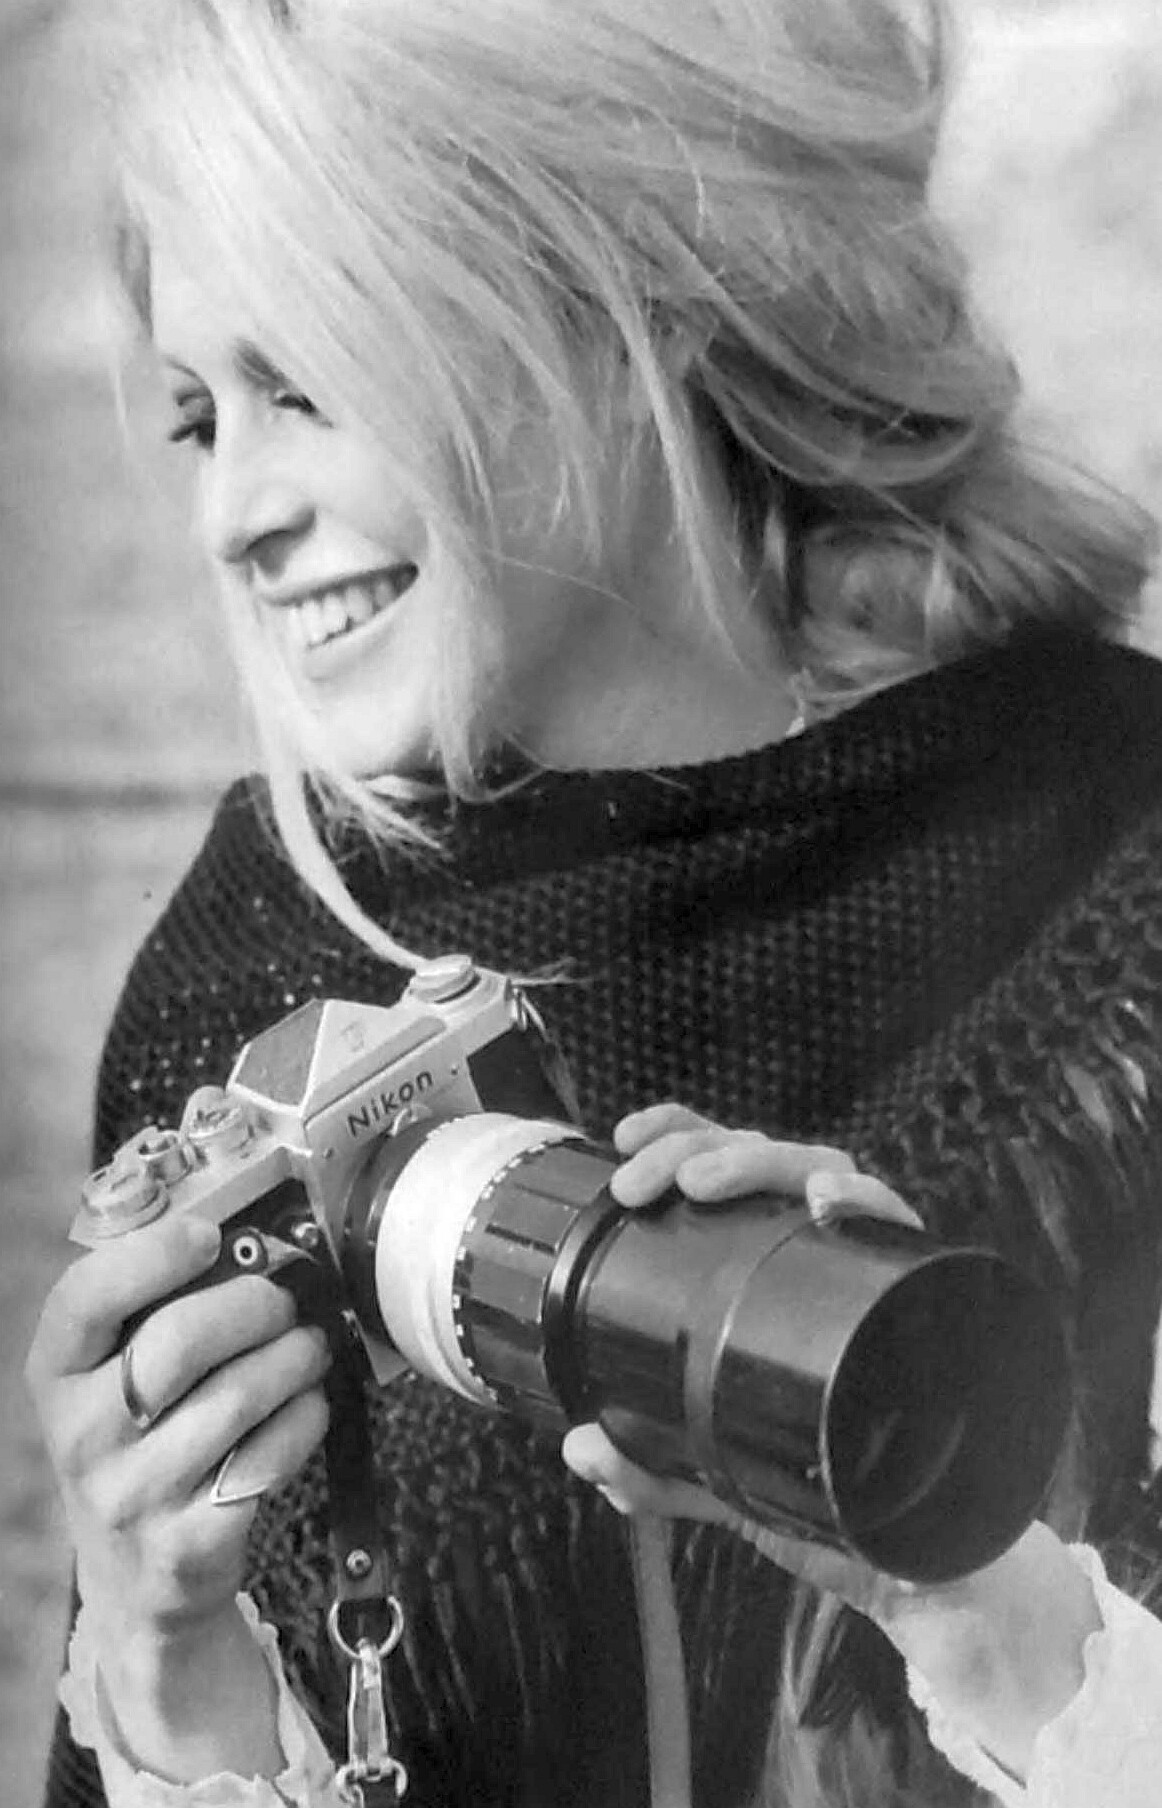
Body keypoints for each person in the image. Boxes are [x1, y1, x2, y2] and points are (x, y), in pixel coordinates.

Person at [24, 0, 1162, 1803]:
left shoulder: (1118, 873)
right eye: (195, 418)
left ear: (623, 303)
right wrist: (171, 1676)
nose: (230, 515)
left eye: (304, 385)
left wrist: (980, 1605)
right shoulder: (248, 982)